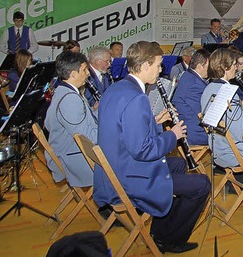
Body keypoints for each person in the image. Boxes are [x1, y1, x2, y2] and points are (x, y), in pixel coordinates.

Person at [93, 41, 210, 253]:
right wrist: (172, 136)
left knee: (177, 165)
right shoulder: (137, 98)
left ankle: (161, 228)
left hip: (114, 169)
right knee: (202, 185)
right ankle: (170, 240)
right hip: (130, 178)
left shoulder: (116, 88)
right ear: (145, 65)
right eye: (158, 65)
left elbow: (124, 129)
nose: (161, 69)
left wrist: (154, 122)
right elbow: (143, 150)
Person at [44, 52, 97, 188]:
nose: (88, 74)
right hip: (74, 160)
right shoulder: (69, 99)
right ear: (73, 74)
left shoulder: (63, 91)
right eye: (84, 70)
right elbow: (86, 138)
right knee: (126, 162)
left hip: (70, 153)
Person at [200, 48, 243, 170]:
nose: (236, 68)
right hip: (234, 152)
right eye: (234, 65)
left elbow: (225, 117)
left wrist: (240, 107)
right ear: (225, 67)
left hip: (217, 147)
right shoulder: (229, 92)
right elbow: (241, 133)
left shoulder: (209, 88)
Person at [172, 49, 210, 147]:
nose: (210, 70)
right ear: (199, 67)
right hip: (195, 133)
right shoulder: (195, 85)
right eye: (208, 67)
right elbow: (202, 114)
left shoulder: (187, 75)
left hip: (187, 127)